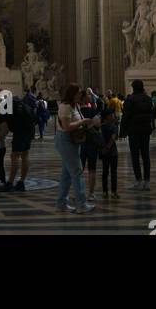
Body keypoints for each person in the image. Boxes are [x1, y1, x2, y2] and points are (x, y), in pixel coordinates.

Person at [55, 83, 97, 213]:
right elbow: (67, 127)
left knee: (66, 174)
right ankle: (81, 204)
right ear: (72, 94)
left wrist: (91, 122)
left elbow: (79, 122)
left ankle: (61, 203)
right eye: (79, 93)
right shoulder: (65, 107)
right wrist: (82, 122)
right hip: (65, 140)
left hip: (74, 140)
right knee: (77, 171)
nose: (81, 94)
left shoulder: (76, 105)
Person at [120, 78, 153, 189]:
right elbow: (152, 113)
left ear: (133, 87)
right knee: (146, 155)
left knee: (135, 156)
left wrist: (123, 130)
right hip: (146, 130)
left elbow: (126, 116)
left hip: (134, 130)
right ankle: (147, 181)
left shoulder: (130, 100)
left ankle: (138, 181)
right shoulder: (148, 99)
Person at [5, 92, 35, 191]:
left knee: (15, 156)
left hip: (20, 132)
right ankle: (21, 182)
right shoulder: (22, 103)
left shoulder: (8, 106)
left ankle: (10, 183)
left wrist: (0, 137)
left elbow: (6, 126)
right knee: (25, 155)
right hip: (29, 131)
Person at [79, 87, 101, 204]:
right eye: (88, 95)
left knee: (79, 170)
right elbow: (98, 126)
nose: (90, 96)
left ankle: (80, 192)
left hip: (79, 144)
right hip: (92, 143)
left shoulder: (76, 112)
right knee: (92, 169)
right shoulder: (93, 111)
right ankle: (91, 193)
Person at [100, 103, 119, 198]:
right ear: (107, 117)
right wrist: (108, 147)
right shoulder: (114, 126)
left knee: (105, 172)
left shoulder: (101, 127)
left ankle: (105, 191)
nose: (114, 116)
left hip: (104, 152)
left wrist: (104, 149)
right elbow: (113, 138)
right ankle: (114, 192)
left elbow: (99, 139)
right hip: (112, 152)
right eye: (112, 115)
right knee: (113, 172)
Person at [0, 105, 10, 185]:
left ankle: (2, 180)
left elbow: (5, 130)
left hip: (1, 144)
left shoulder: (1, 117)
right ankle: (0, 179)